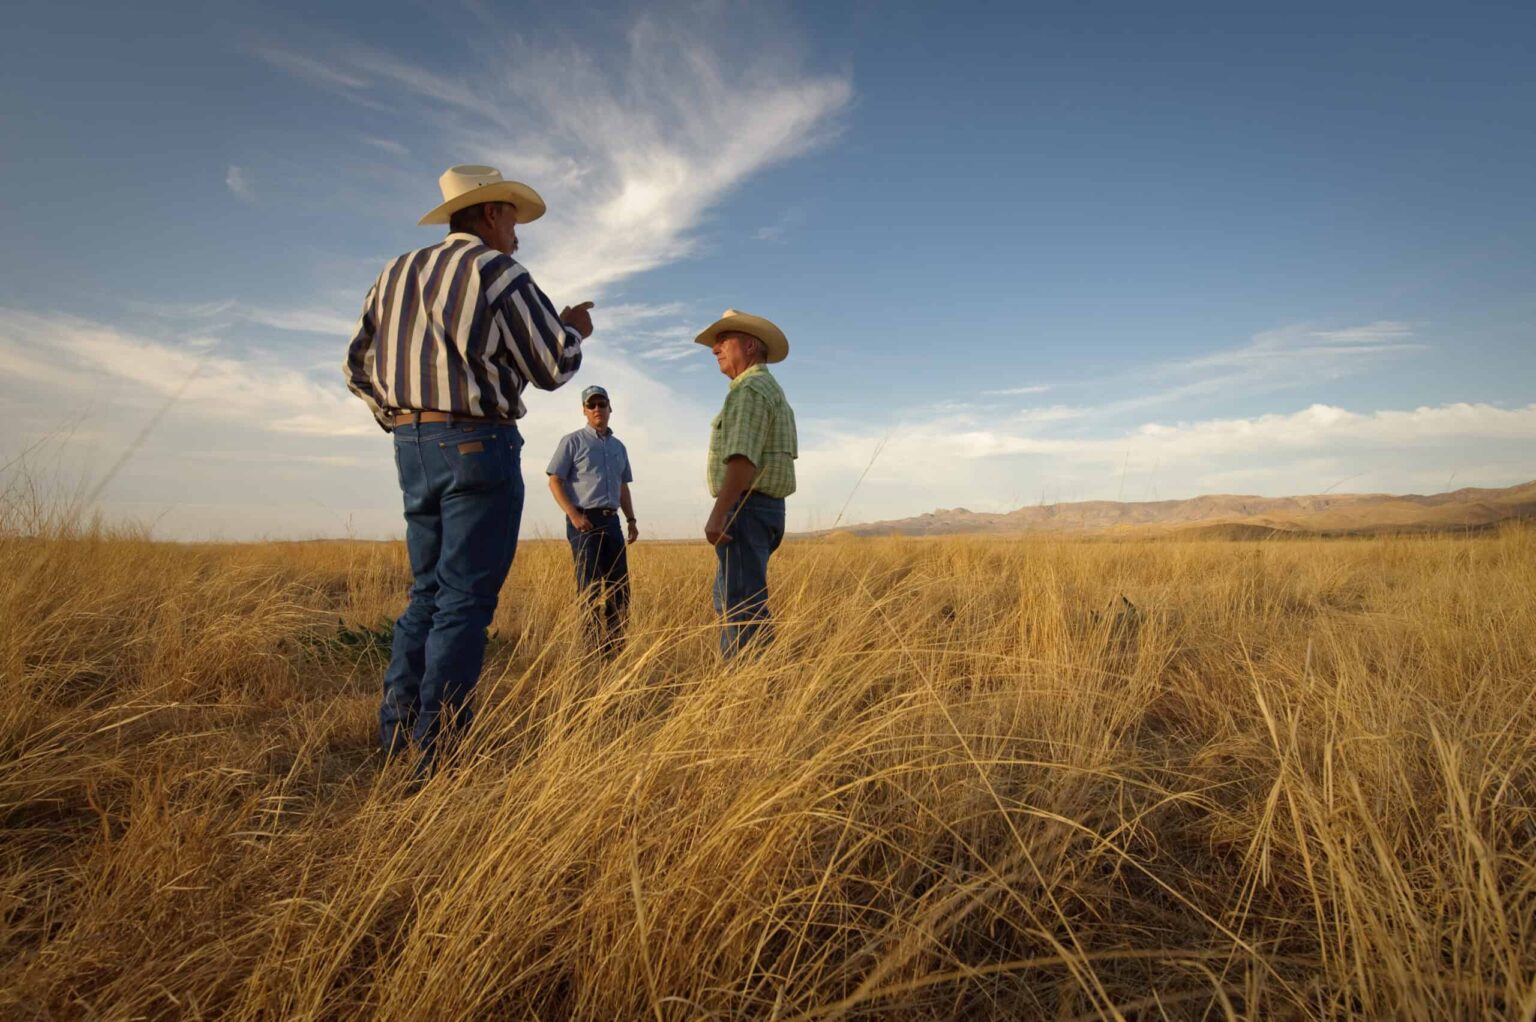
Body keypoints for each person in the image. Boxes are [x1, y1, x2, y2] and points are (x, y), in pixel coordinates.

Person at [344, 164, 594, 774]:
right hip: (479, 444)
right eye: (512, 217)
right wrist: (572, 328)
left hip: (412, 445)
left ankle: (397, 737)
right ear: (488, 214)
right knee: (464, 601)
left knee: (426, 593)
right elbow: (553, 366)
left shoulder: (394, 272)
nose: (517, 233)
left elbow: (356, 368)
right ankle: (439, 753)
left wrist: (403, 421)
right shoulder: (497, 270)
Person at [696, 309, 798, 658]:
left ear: (750, 346)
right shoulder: (768, 388)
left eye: (723, 340)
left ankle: (749, 684)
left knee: (741, 609)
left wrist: (719, 512)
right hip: (762, 509)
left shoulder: (749, 388)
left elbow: (743, 457)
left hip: (746, 508)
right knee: (735, 600)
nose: (715, 349)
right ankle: (755, 677)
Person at [546, 385, 638, 657]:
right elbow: (554, 480)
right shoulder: (572, 442)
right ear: (584, 410)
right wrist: (574, 515)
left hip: (612, 522)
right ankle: (590, 650)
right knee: (589, 587)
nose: (597, 409)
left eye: (602, 404)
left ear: (610, 408)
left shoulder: (619, 447)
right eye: (591, 405)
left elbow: (622, 486)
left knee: (619, 587)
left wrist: (631, 519)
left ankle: (614, 649)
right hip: (584, 521)